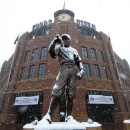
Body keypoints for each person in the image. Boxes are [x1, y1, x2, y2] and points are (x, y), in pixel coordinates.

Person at [41, 34, 84, 124]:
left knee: (71, 94)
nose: (65, 41)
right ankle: (49, 115)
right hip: (63, 69)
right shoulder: (59, 47)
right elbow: (51, 53)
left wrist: (82, 70)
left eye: (67, 39)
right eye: (63, 39)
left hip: (73, 70)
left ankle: (68, 116)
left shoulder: (74, 50)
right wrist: (54, 42)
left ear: (70, 40)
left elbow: (78, 61)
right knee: (57, 91)